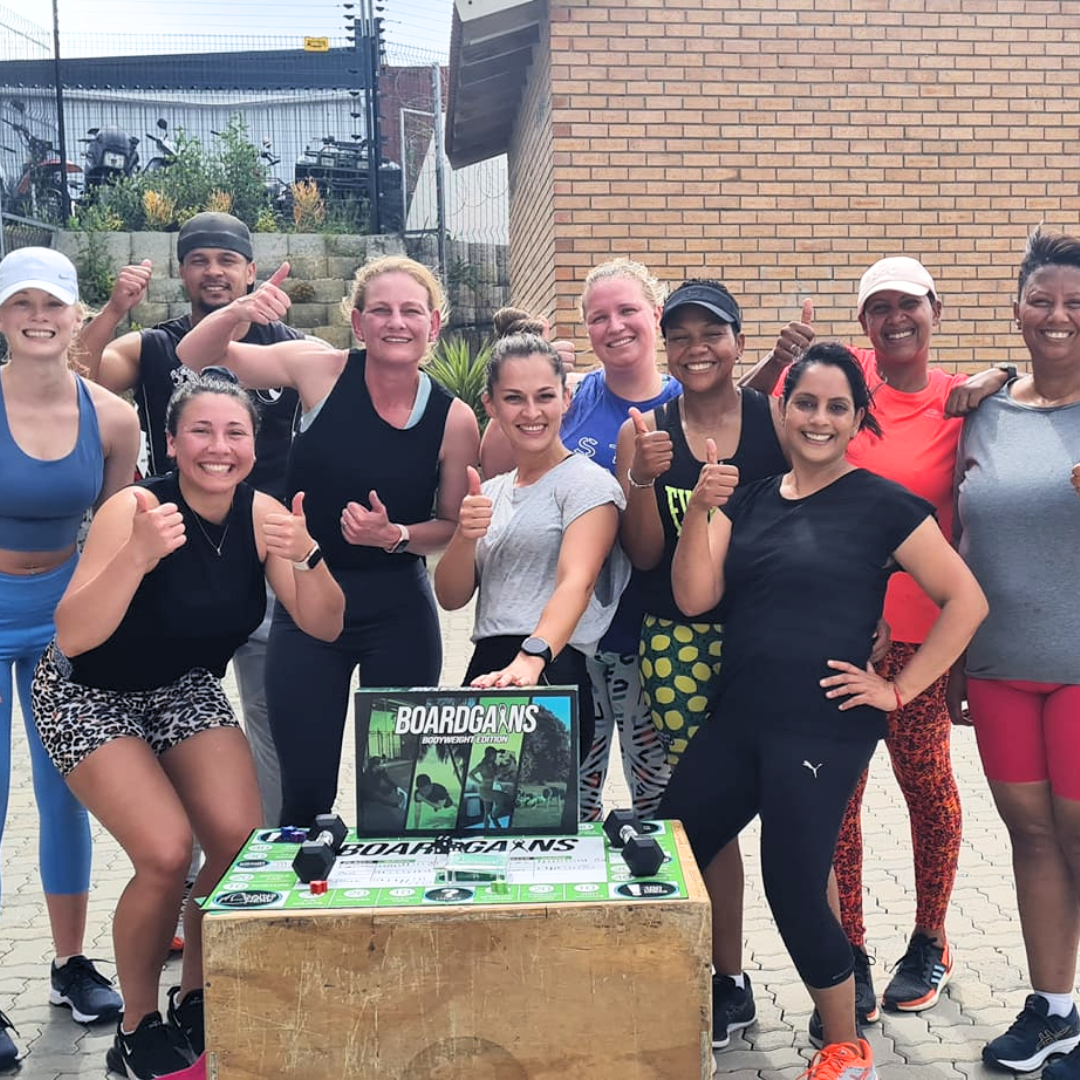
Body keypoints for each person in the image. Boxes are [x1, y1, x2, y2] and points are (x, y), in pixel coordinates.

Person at [661, 343, 987, 1080]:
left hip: (824, 724)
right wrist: (699, 512)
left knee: (792, 880)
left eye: (838, 406)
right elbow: (694, 597)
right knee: (668, 842)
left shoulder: (883, 504)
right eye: (805, 402)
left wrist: (899, 691)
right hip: (740, 714)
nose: (819, 418)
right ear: (780, 408)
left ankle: (846, 1046)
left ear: (857, 419)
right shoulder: (747, 498)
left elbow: (966, 600)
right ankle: (694, 995)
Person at [31, 373, 344, 1080]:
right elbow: (74, 635)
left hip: (178, 689)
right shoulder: (135, 507)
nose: (218, 447)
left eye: (235, 432)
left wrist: (307, 551)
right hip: (89, 692)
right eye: (200, 431)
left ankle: (197, 993)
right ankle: (136, 1026)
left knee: (237, 841)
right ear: (171, 442)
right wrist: (139, 553)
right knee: (168, 854)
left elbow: (325, 624)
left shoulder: (264, 515)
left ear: (255, 444)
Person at [742, 258, 1012, 1023]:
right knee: (839, 803)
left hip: (921, 643)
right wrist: (773, 354)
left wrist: (1003, 367)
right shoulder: (848, 384)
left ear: (935, 308)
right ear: (863, 324)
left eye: (909, 305)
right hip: (841, 643)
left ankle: (930, 937)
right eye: (879, 308)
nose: (896, 318)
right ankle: (850, 951)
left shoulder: (966, 402)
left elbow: (1034, 396)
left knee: (927, 788)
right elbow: (758, 409)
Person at [175, 255, 480, 827]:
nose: (396, 322)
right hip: (309, 605)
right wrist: (238, 311)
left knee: (407, 799)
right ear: (358, 323)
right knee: (305, 796)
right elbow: (195, 356)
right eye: (381, 310)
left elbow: (450, 523)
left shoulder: (453, 419)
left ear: (433, 326)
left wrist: (396, 536)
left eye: (411, 311)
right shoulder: (318, 370)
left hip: (399, 613)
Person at [81, 213, 308, 952]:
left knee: (266, 729)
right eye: (200, 261)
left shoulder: (283, 348)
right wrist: (114, 308)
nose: (214, 272)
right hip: (167, 560)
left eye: (228, 262)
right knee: (177, 746)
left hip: (257, 562)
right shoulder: (150, 346)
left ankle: (249, 878)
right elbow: (83, 376)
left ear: (251, 269)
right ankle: (173, 888)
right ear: (183, 272)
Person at [615, 278, 788, 1048]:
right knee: (703, 821)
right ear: (665, 346)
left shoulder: (773, 420)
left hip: (769, 635)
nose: (695, 348)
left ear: (737, 342)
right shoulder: (644, 428)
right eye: (679, 335)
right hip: (676, 644)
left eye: (710, 333)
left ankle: (834, 965)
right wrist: (646, 478)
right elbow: (644, 553)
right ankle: (728, 980)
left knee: (796, 806)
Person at [0, 247, 138, 1064]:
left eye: (52, 304)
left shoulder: (112, 418)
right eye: (21, 304)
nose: (38, 317)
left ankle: (68, 963)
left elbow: (119, 528)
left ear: (77, 315)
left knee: (66, 795)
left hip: (65, 620)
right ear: (2, 318)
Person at [481, 260, 680, 821]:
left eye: (627, 311)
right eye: (599, 317)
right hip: (573, 640)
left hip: (655, 637)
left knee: (659, 801)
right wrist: (510, 379)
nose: (614, 326)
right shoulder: (569, 397)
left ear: (656, 315)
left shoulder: (688, 403)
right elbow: (498, 475)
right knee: (565, 803)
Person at [956, 228, 1080, 1079]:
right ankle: (1055, 1011)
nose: (1058, 316)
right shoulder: (985, 410)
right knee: (1031, 837)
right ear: (1016, 310)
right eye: (1042, 300)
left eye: (1074, 303)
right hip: (1000, 666)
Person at [436, 333, 628, 769]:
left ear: (566, 399)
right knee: (470, 821)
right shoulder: (491, 491)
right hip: (486, 667)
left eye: (544, 396)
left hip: (551, 665)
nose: (531, 412)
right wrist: (465, 534)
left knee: (536, 821)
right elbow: (450, 597)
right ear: (491, 406)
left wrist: (532, 657)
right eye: (514, 398)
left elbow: (577, 582)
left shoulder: (589, 484)